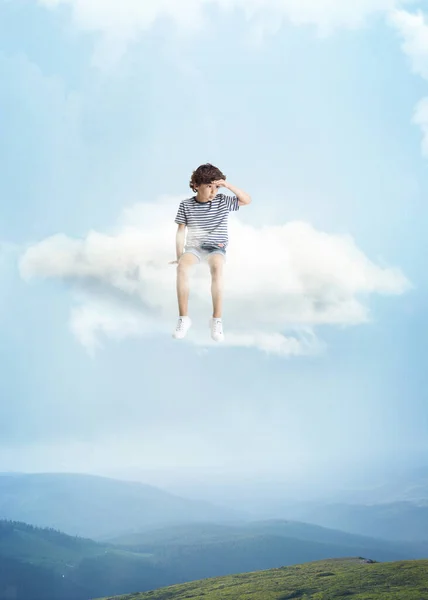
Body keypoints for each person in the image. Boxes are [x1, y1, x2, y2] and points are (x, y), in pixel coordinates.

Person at [171, 163, 251, 342]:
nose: (213, 192)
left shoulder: (222, 201)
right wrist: (179, 257)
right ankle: (183, 318)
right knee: (183, 268)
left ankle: (216, 320)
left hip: (216, 247)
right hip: (194, 248)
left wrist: (228, 186)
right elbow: (181, 231)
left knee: (217, 267)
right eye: (209, 186)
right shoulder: (186, 205)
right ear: (196, 185)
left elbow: (247, 200)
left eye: (216, 187)